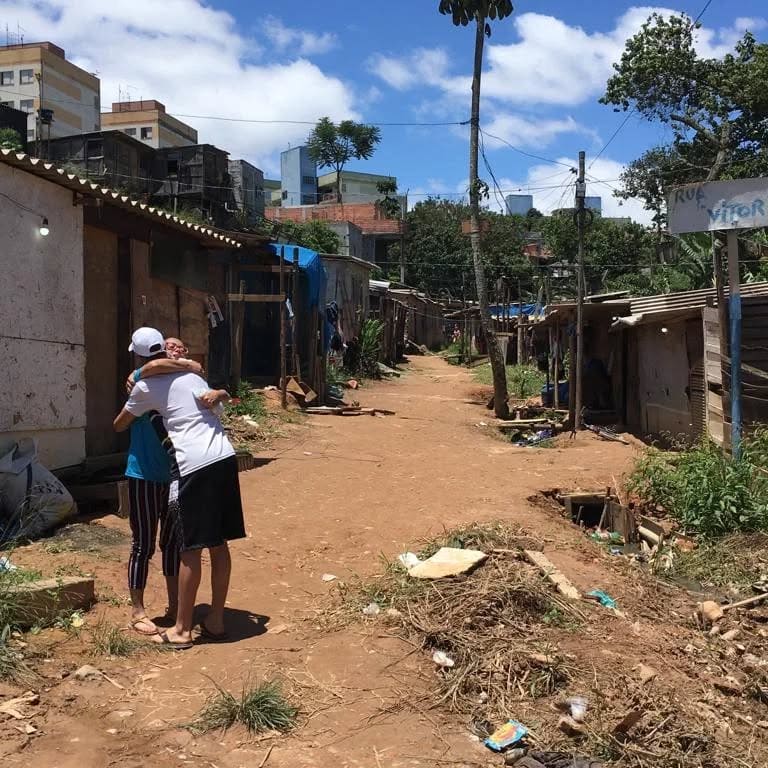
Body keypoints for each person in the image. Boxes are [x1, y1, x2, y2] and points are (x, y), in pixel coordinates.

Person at [114, 328, 245, 649]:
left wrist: (137, 398)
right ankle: (214, 620)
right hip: (223, 456)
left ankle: (182, 629)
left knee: (188, 548)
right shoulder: (193, 377)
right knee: (218, 543)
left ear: (137, 354)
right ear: (164, 349)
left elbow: (119, 424)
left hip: (192, 465)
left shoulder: (145, 384)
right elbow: (213, 406)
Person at [122, 329, 202, 636]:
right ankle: (137, 611)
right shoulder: (139, 384)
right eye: (169, 347)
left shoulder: (180, 381)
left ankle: (173, 605)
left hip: (174, 474)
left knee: (172, 545)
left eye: (179, 348)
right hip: (142, 474)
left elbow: (188, 368)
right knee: (143, 544)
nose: (174, 352)